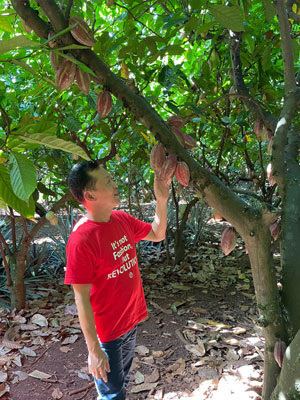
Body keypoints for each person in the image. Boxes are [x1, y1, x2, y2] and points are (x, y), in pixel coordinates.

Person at [64, 160, 170, 400]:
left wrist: (161, 199)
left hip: (129, 321)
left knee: (121, 384)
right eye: (108, 182)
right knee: (112, 395)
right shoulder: (82, 240)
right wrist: (93, 349)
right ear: (90, 194)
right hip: (107, 333)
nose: (115, 185)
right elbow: (80, 298)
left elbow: (157, 233)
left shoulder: (121, 219)